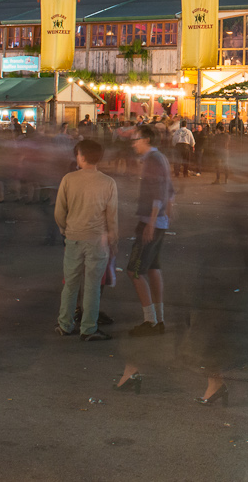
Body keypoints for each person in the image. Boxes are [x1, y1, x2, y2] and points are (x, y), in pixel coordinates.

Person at [54, 140, 119, 341]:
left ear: (81, 157)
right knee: (92, 285)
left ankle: (65, 324)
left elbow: (59, 212)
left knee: (70, 283)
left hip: (73, 237)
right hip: (97, 240)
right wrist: (113, 241)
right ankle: (89, 328)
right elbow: (112, 217)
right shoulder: (108, 182)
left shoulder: (68, 179)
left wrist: (65, 230)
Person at [127, 125, 173, 336]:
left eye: (135, 140)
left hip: (150, 222)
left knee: (134, 271)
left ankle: (150, 321)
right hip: (159, 222)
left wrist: (152, 222)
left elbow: (158, 192)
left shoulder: (153, 160)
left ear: (146, 140)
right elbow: (169, 191)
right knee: (153, 268)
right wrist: (165, 215)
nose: (133, 144)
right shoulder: (160, 158)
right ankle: (159, 318)